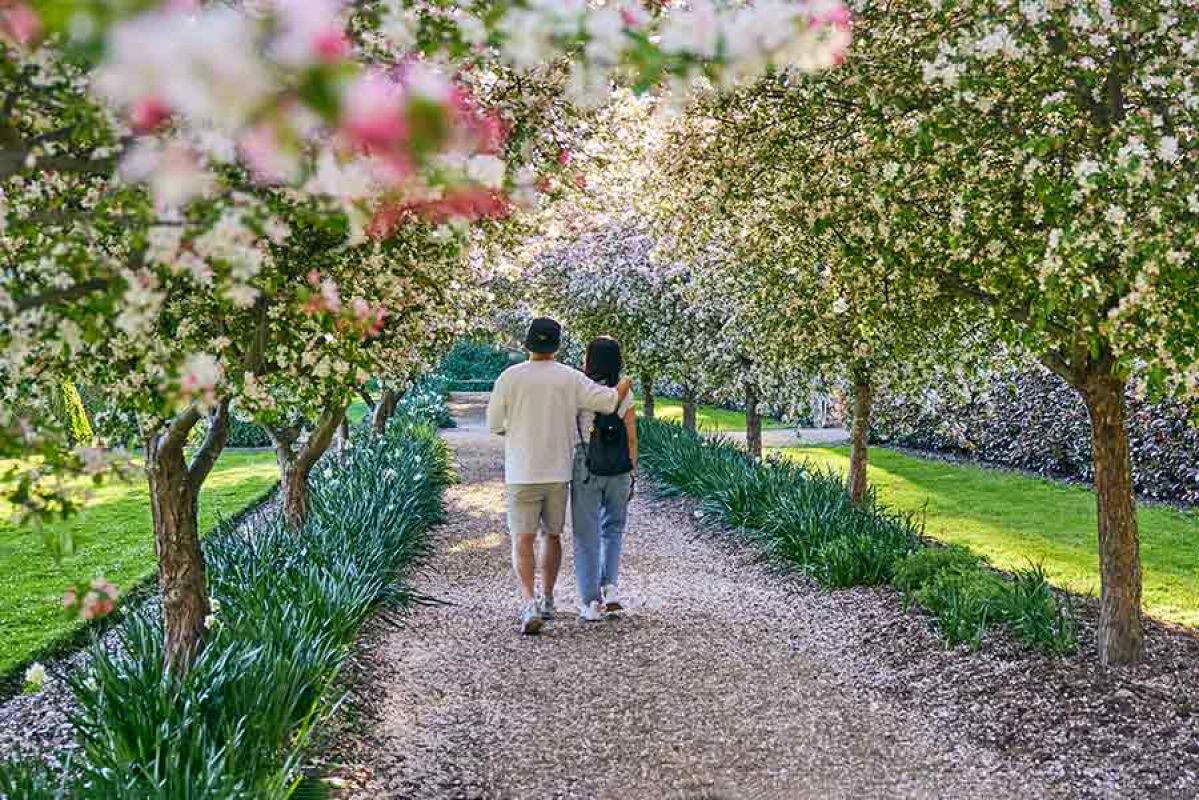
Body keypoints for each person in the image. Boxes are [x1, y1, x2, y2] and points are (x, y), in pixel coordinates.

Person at [486, 318, 633, 635]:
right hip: (557, 471)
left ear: (528, 344)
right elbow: (608, 401)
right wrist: (625, 384)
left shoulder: (508, 378)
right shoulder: (570, 378)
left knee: (522, 539)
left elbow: (495, 424)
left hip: (522, 471)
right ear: (557, 345)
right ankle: (550, 598)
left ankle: (529, 603)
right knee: (552, 536)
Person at [571, 337, 638, 622]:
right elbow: (632, 437)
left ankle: (591, 602)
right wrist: (632, 471)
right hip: (618, 468)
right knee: (613, 529)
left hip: (586, 466)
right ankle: (610, 587)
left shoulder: (579, 388)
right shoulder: (625, 393)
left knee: (586, 535)